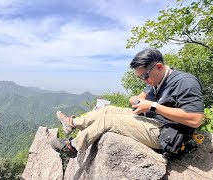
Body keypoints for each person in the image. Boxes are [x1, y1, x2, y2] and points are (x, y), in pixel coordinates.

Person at [50, 48, 204, 158]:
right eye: (140, 78)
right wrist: (136, 99)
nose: (144, 80)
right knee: (107, 110)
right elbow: (143, 95)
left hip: (168, 132)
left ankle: (72, 147)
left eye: (145, 76)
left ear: (159, 67)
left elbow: (195, 119)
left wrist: (153, 106)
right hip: (152, 119)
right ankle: (73, 123)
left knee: (108, 121)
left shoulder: (185, 82)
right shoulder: (156, 80)